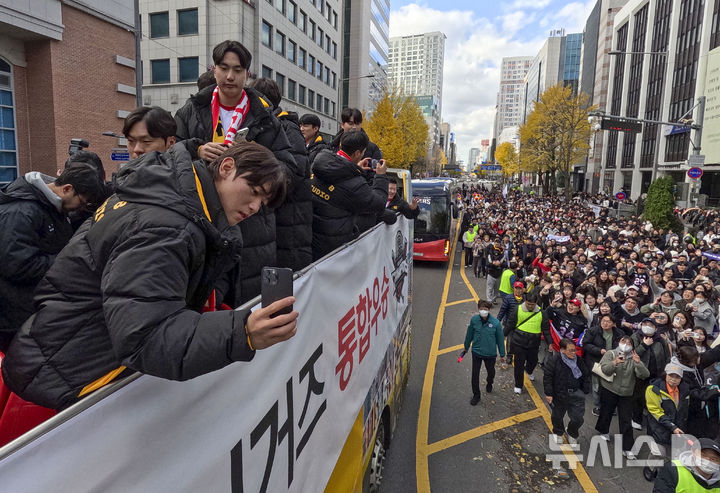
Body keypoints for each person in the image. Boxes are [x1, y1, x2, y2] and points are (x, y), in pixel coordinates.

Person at [2, 142, 298, 411]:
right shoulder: (166, 225)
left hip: (67, 362)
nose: (255, 207)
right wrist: (242, 332)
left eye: (263, 202)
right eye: (254, 192)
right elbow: (146, 336)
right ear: (226, 167)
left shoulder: (168, 200)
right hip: (65, 382)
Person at [174, 40, 302, 305]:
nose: (230, 76)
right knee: (201, 307)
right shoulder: (191, 111)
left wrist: (257, 161)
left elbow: (290, 172)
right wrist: (196, 150)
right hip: (200, 221)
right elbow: (170, 157)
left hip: (252, 230)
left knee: (244, 313)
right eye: (224, 68)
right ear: (214, 70)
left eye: (238, 69)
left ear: (247, 74)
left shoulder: (267, 119)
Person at [0, 163, 106, 351]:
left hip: (33, 310)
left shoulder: (52, 206)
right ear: (67, 189)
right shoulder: (21, 212)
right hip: (15, 318)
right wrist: (67, 261)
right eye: (81, 203)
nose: (80, 209)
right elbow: (17, 265)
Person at [248, 77, 313, 271]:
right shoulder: (262, 125)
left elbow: (294, 171)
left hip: (289, 223)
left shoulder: (286, 128)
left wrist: (257, 184)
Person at [310, 129, 388, 260]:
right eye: (363, 152)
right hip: (334, 250)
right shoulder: (355, 184)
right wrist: (381, 177)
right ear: (358, 153)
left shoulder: (318, 163)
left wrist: (354, 168)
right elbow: (379, 203)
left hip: (311, 237)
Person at [594, 336, 649, 459]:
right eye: (623, 341)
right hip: (609, 389)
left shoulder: (634, 359)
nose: (626, 344)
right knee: (606, 411)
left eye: (629, 343)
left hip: (626, 393)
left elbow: (644, 374)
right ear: (619, 342)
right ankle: (604, 431)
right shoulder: (611, 353)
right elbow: (604, 369)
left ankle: (628, 447)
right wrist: (615, 362)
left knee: (625, 419)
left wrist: (638, 363)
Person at [543, 338, 591, 447]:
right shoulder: (554, 360)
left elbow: (585, 375)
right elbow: (548, 377)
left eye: (574, 350)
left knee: (578, 418)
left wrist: (584, 389)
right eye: (570, 350)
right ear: (562, 350)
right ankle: (558, 432)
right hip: (559, 394)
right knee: (557, 416)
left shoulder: (579, 361)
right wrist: (549, 393)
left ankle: (572, 432)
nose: (574, 353)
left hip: (576, 394)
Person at [645, 362, 691, 473]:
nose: (674, 379)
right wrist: (672, 426)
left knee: (673, 456)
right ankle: (650, 469)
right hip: (658, 427)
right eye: (671, 375)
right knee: (659, 453)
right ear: (665, 374)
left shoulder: (685, 389)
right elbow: (655, 411)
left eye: (677, 377)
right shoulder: (653, 389)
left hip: (677, 429)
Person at [504, 292, 551, 394]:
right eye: (528, 304)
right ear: (525, 301)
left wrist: (550, 343)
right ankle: (518, 385)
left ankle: (529, 371)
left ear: (536, 303)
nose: (530, 306)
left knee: (533, 361)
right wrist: (503, 334)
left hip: (534, 343)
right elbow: (510, 324)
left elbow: (546, 329)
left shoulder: (542, 313)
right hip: (519, 342)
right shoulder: (517, 309)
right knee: (518, 364)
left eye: (532, 305)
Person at [462, 300, 505, 405]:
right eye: (481, 309)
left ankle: (489, 382)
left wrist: (502, 354)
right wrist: (466, 347)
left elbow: (500, 340)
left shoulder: (495, 323)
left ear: (489, 310)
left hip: (490, 354)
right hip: (476, 352)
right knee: (475, 375)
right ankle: (476, 395)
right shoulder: (474, 320)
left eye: (485, 309)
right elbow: (469, 334)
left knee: (491, 372)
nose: (483, 311)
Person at [582, 314, 625, 416]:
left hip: (613, 362)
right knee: (597, 385)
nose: (605, 323)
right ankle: (598, 406)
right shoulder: (593, 331)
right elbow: (586, 344)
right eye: (603, 321)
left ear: (613, 324)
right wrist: (599, 350)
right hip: (596, 361)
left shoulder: (619, 333)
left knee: (610, 385)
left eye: (608, 321)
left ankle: (610, 406)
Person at [653, 438, 720, 492]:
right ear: (693, 452)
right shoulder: (673, 470)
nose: (708, 461)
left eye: (714, 459)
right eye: (703, 455)